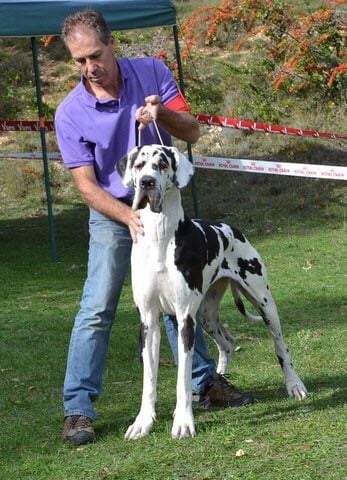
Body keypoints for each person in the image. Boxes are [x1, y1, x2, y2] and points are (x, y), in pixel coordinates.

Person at [55, 8, 254, 446]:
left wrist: (161, 113)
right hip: (114, 210)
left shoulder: (153, 71)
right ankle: (78, 410)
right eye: (79, 61)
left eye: (94, 56)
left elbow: (193, 132)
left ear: (112, 45)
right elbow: (86, 186)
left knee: (180, 296)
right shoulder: (70, 112)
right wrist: (128, 216)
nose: (90, 68)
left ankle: (204, 384)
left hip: (168, 207)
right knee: (97, 306)